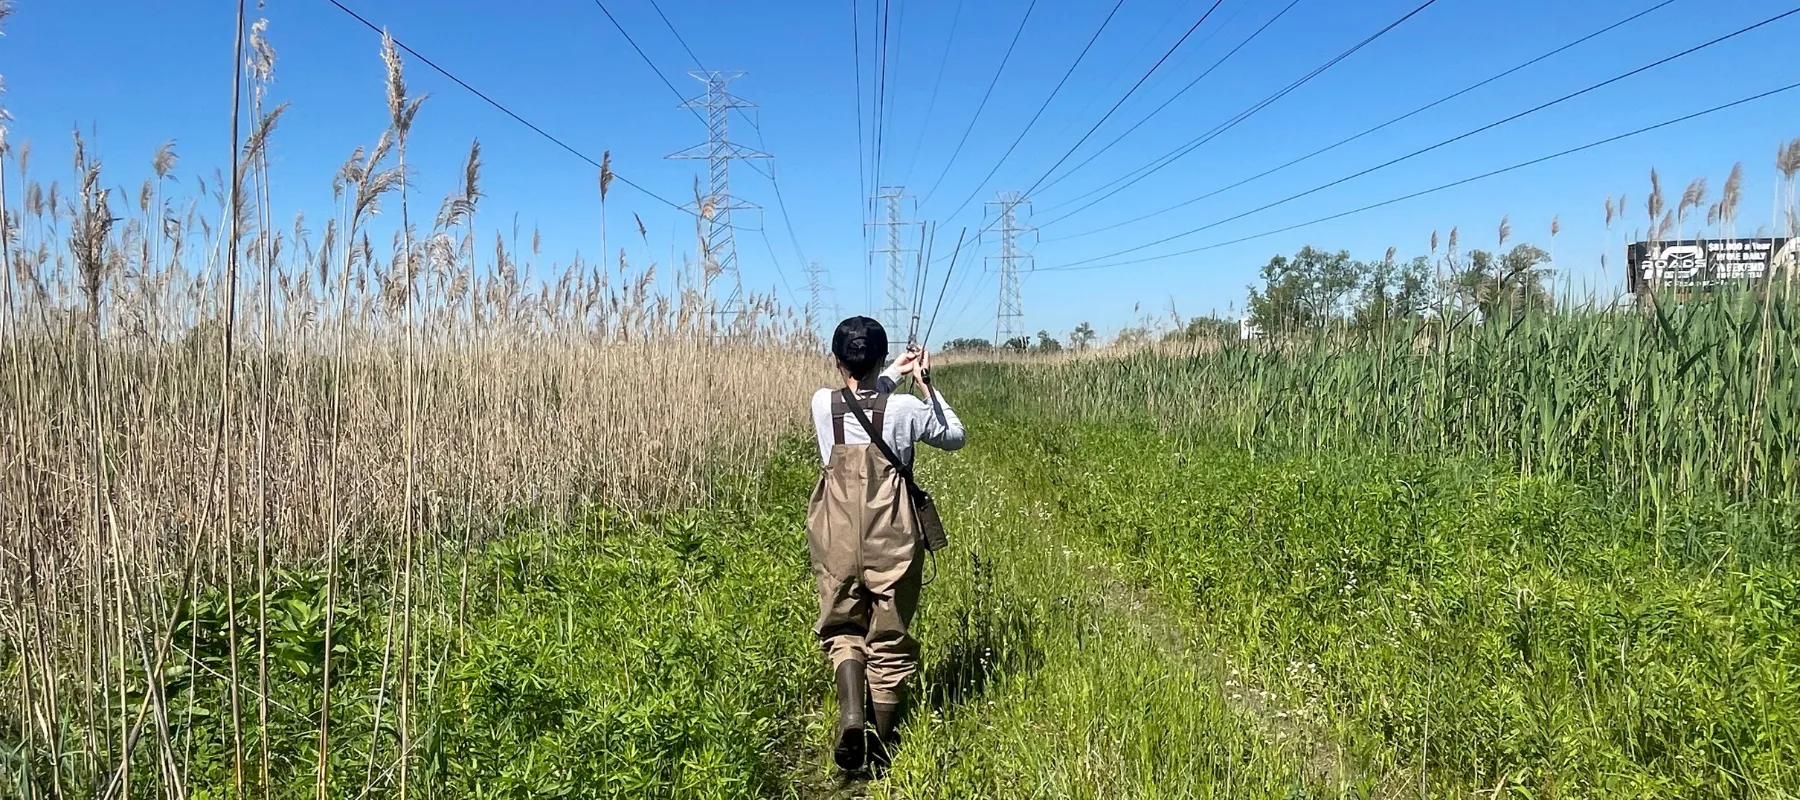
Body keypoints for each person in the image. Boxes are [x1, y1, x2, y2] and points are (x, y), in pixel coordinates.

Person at [808, 316, 965, 772]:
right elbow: (954, 436)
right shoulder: (905, 411)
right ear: (879, 358)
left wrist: (890, 374)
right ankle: (880, 744)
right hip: (891, 531)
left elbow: (863, 395)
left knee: (843, 626)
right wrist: (926, 382)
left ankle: (851, 716)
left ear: (837, 360)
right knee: (889, 632)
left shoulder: (823, 404)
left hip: (835, 529)